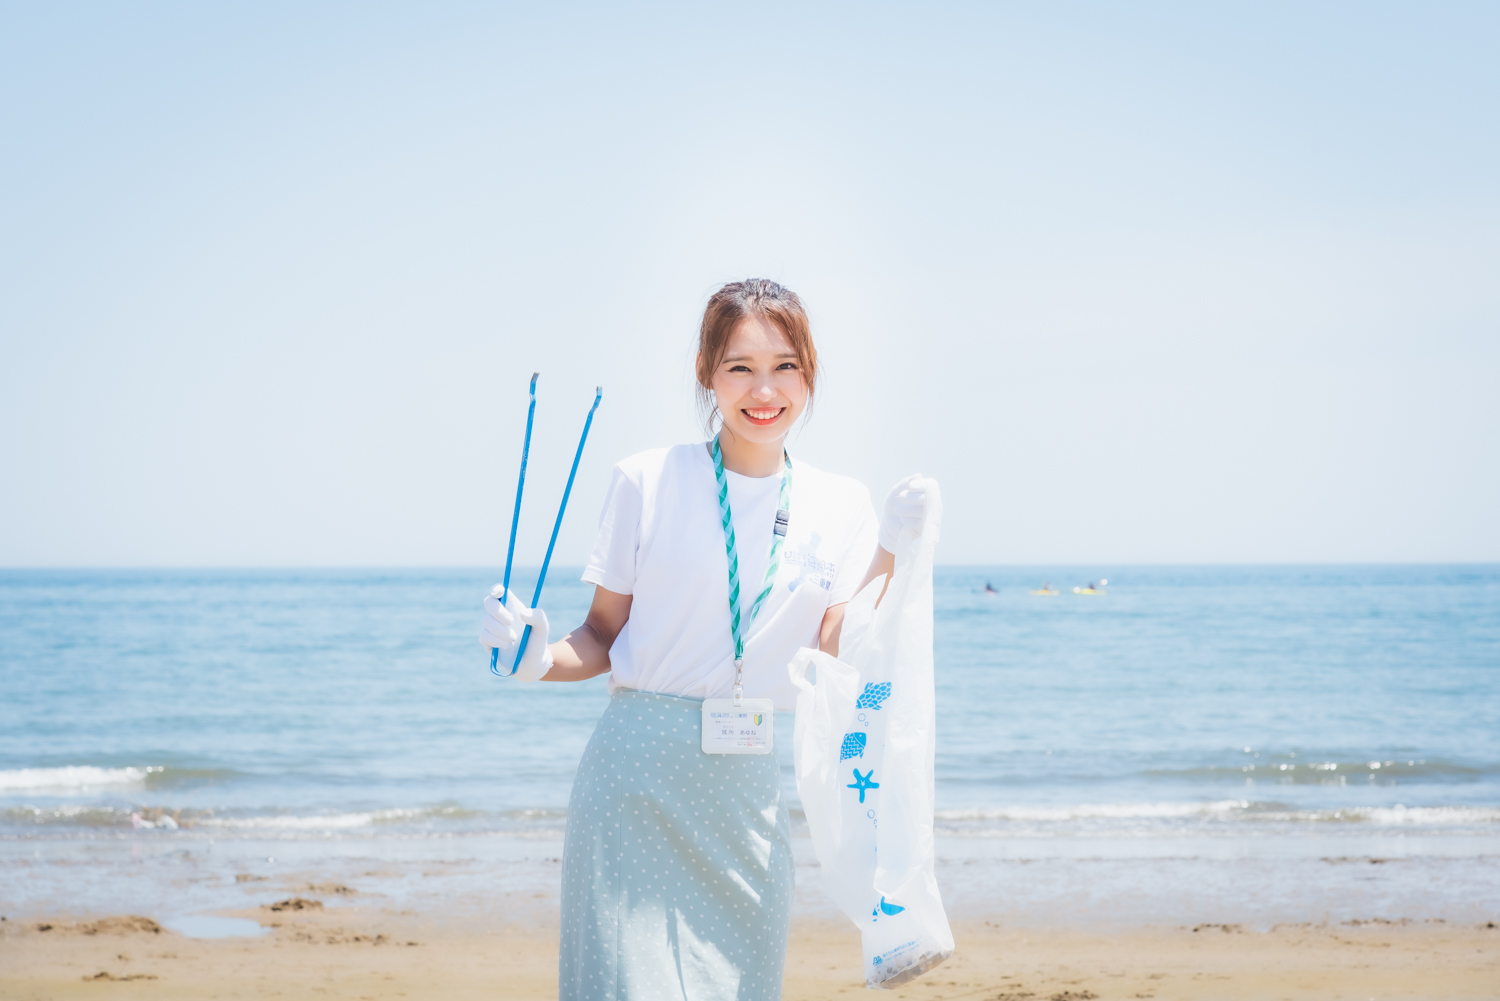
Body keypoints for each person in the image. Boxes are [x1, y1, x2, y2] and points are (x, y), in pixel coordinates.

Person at [480, 279, 931, 1001]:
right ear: (705, 372)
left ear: (809, 373)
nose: (765, 388)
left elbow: (844, 645)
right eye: (740, 366)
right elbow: (600, 634)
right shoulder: (646, 480)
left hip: (745, 796)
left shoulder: (840, 502)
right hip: (634, 785)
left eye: (786, 365)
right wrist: (536, 658)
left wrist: (893, 552)